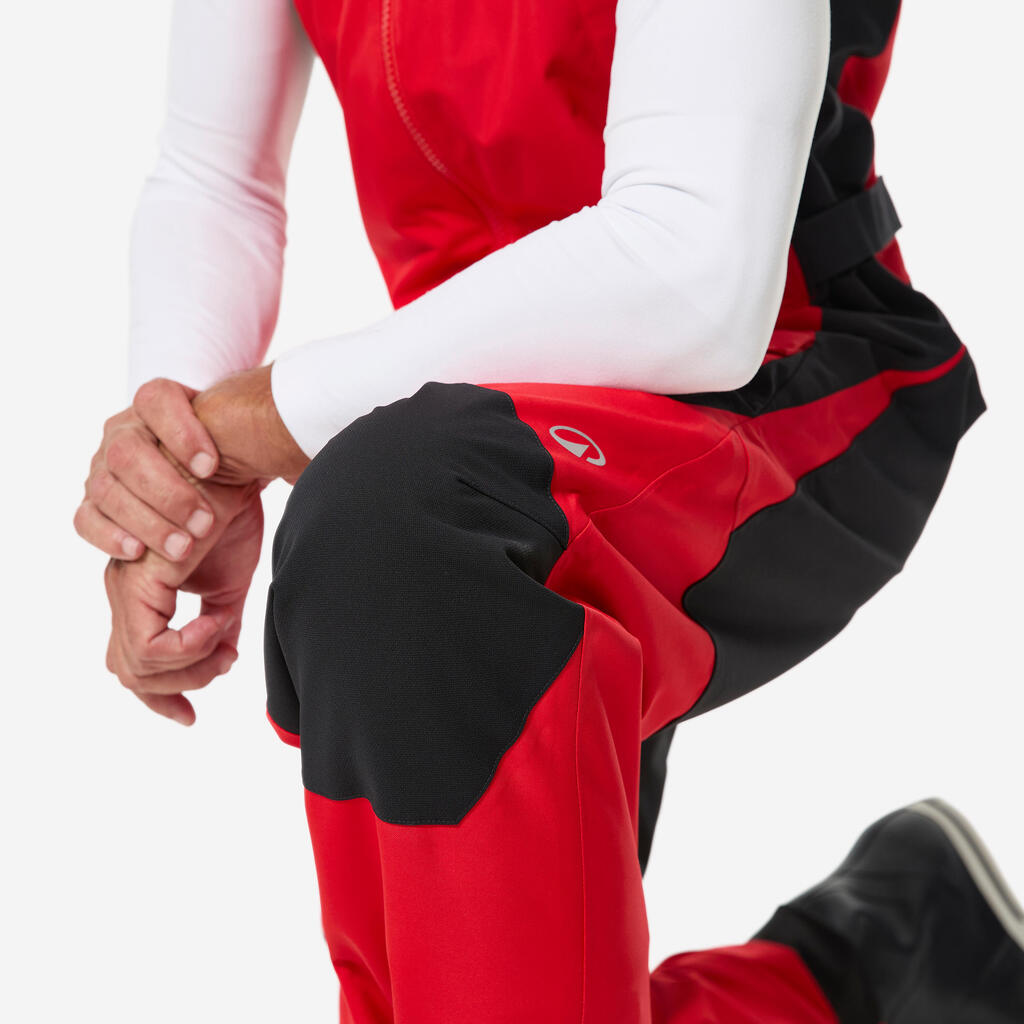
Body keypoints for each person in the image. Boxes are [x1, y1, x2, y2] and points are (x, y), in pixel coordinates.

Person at [74, 0, 1022, 1020]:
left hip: (791, 385)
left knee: (397, 532)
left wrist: (243, 430)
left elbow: (693, 272)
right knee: (524, 986)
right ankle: (865, 968)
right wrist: (171, 472)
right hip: (475, 431)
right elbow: (215, 176)